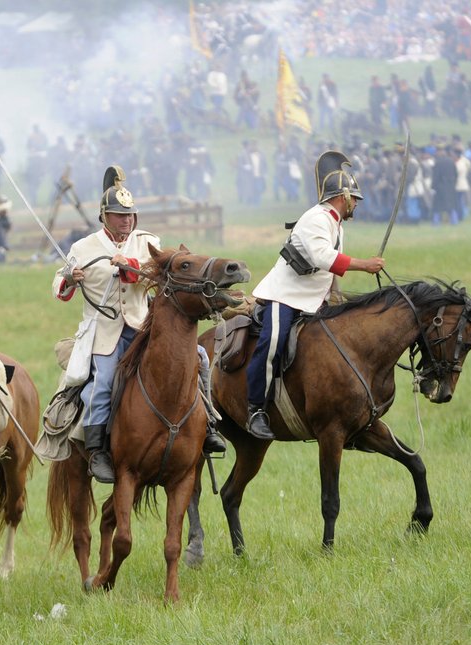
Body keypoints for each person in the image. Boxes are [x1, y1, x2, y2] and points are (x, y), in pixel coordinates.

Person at [52, 165, 224, 483]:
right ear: (104, 216)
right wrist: (70, 278)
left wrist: (127, 264)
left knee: (198, 359)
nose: (126, 220)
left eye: (130, 215)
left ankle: (210, 424)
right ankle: (98, 450)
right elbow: (59, 290)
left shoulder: (146, 241)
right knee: (102, 381)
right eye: (119, 215)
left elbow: (151, 271)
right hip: (102, 333)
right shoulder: (82, 248)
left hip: (144, 325)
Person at [245, 151, 385, 439]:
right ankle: (255, 408)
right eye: (354, 198)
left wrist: (336, 297)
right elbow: (324, 257)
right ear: (343, 197)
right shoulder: (316, 218)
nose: (357, 203)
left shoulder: (336, 224)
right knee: (272, 343)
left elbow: (330, 270)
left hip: (313, 300)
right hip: (284, 296)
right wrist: (365, 265)